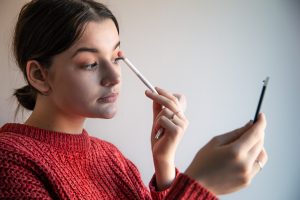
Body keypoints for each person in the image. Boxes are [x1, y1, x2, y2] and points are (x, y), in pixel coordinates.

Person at [0, 0, 268, 199]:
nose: (115, 77)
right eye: (91, 63)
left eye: (117, 58)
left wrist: (165, 165)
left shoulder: (112, 158)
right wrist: (202, 185)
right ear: (38, 75)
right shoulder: (9, 160)